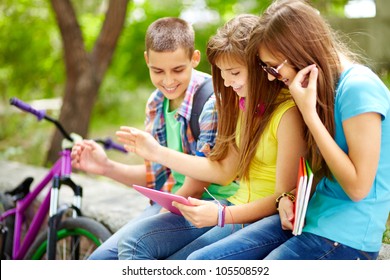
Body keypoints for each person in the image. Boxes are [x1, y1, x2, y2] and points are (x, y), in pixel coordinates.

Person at [181, 0, 390, 260]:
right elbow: (318, 170)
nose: (270, 77)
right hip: (310, 219)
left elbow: (358, 188)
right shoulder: (324, 88)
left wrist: (310, 115)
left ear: (300, 51)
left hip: (345, 235)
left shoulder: (358, 88)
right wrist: (285, 199)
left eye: (273, 67)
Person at [115, 14, 307, 259]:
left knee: (189, 262)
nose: (226, 82)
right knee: (134, 240)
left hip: (254, 218)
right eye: (222, 73)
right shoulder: (242, 104)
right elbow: (225, 169)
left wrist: (220, 215)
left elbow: (282, 198)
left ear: (260, 67)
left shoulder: (287, 114)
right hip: (231, 207)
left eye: (234, 73)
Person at [70, 17, 238, 260]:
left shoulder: (212, 101)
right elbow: (159, 178)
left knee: (138, 249)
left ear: (195, 58)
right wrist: (106, 167)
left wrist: (153, 225)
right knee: (99, 261)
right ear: (147, 59)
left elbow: (198, 183)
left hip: (213, 205)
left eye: (178, 70)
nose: (168, 81)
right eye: (158, 71)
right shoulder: (156, 103)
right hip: (175, 205)